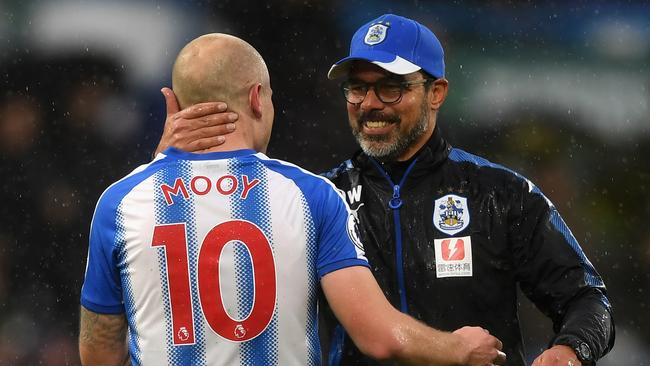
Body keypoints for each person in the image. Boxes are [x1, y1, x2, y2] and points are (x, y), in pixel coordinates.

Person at [153, 14, 616, 366]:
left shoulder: (502, 194)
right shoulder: (312, 199)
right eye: (357, 88)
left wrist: (571, 349)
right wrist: (165, 165)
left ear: (437, 92)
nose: (370, 104)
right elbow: (203, 266)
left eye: (391, 88)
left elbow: (586, 299)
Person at [79, 33, 507, 366]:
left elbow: (99, 351)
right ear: (255, 99)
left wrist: (158, 166)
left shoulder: (121, 201)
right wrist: (456, 348)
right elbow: (377, 336)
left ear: (173, 103)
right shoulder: (311, 196)